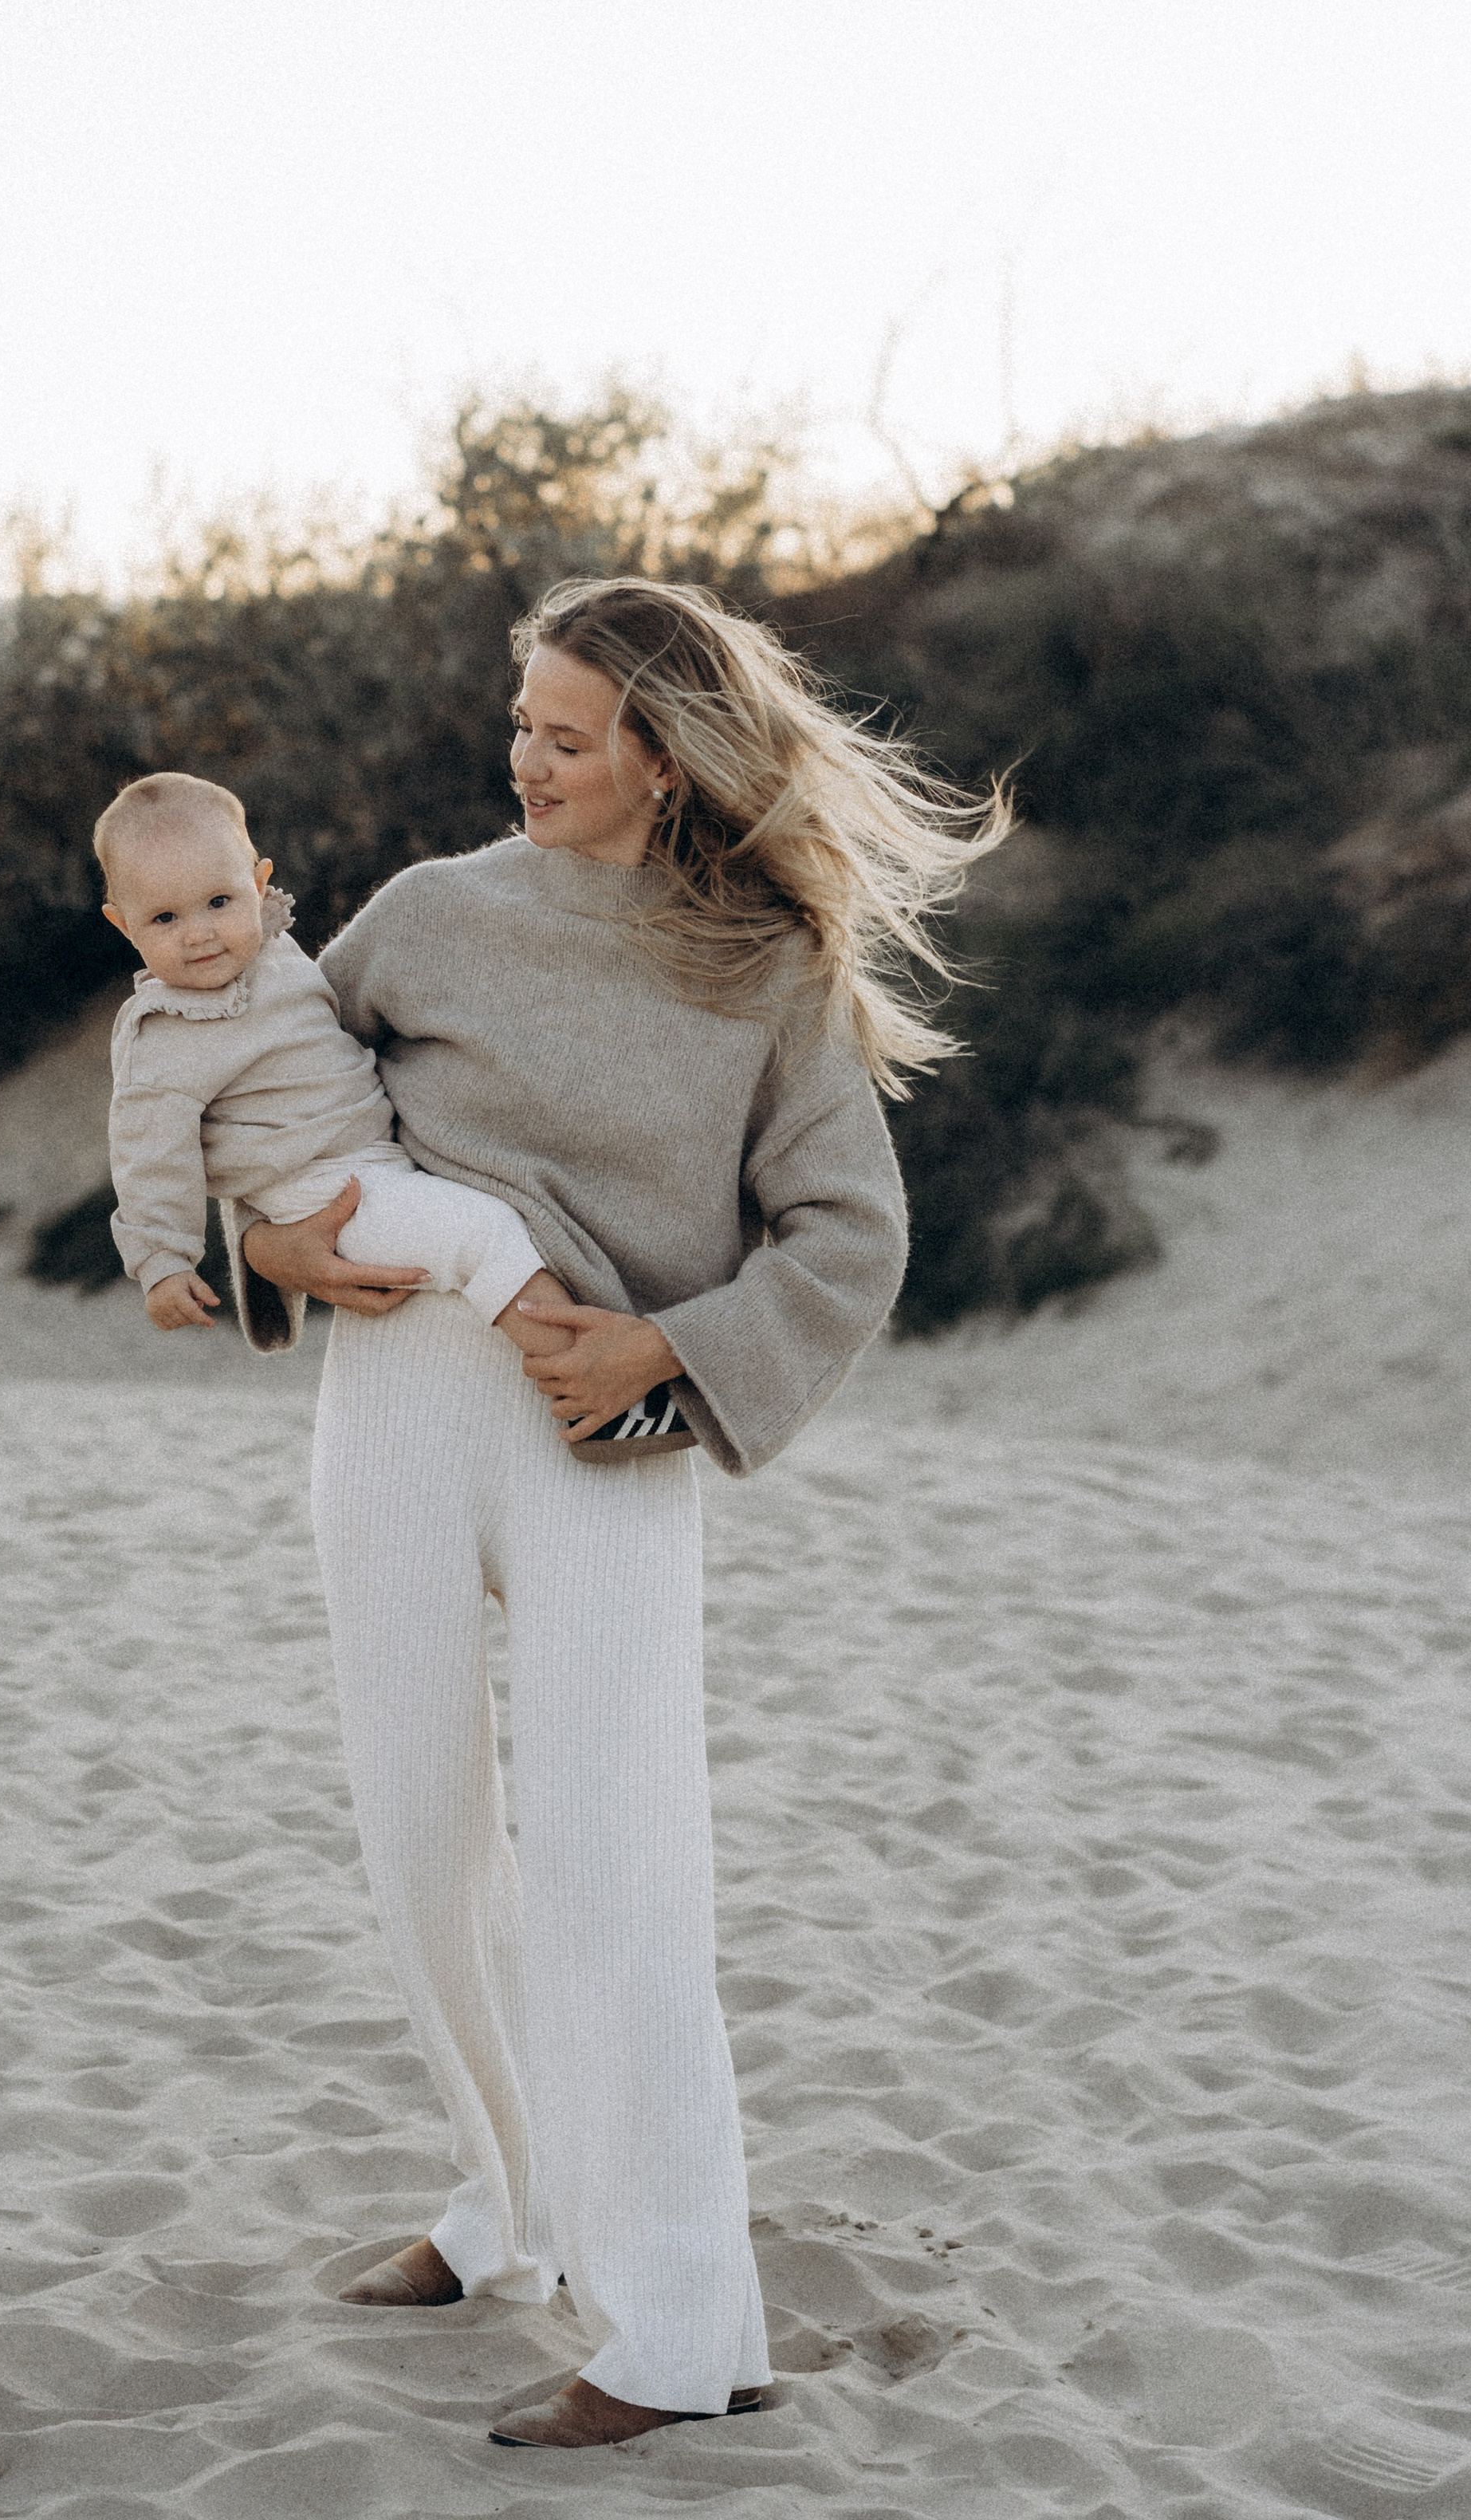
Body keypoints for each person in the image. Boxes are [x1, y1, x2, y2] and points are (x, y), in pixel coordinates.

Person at [237, 576, 1008, 2451]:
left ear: (663, 760)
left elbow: (848, 1235)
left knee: (613, 1867)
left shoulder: (762, 968)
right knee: (421, 1840)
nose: (527, 759)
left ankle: (674, 2333)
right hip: (396, 1401)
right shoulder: (428, 914)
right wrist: (266, 1243)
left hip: (610, 1433)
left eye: (567, 737)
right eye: (521, 723)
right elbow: (260, 1098)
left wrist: (664, 1347)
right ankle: (499, 2207)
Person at [95, 770, 692, 1457]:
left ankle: (606, 1359)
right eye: (165, 920)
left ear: (259, 886)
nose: (199, 934)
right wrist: (164, 1263)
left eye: (218, 902)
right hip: (324, 1192)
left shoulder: (278, 955)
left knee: (517, 1221)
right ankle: (595, 1397)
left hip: (377, 1163)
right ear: (124, 925)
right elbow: (149, 1155)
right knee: (482, 1237)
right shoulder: (163, 1034)